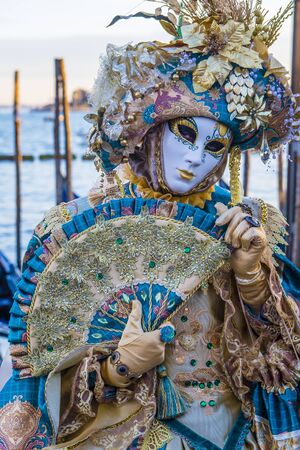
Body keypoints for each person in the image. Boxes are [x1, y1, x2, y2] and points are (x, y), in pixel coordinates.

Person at [1, 1, 300, 449]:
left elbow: (283, 357)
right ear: (150, 132)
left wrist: (252, 277)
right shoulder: (70, 227)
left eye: (216, 146)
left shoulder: (243, 226)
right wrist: (117, 367)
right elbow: (37, 368)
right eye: (185, 133)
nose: (198, 158)